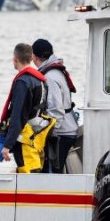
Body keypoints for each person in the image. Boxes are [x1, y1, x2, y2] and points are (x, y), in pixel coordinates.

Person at [0, 43, 53, 173]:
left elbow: (18, 116)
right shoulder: (40, 80)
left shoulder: (23, 82)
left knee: (27, 177)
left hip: (25, 141)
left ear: (15, 59)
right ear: (30, 58)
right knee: (35, 172)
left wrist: (7, 145)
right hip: (37, 137)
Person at [31, 38, 78, 173]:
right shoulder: (56, 70)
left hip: (62, 133)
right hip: (67, 128)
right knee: (53, 171)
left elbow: (56, 109)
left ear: (34, 57)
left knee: (51, 173)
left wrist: (46, 134)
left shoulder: (50, 76)